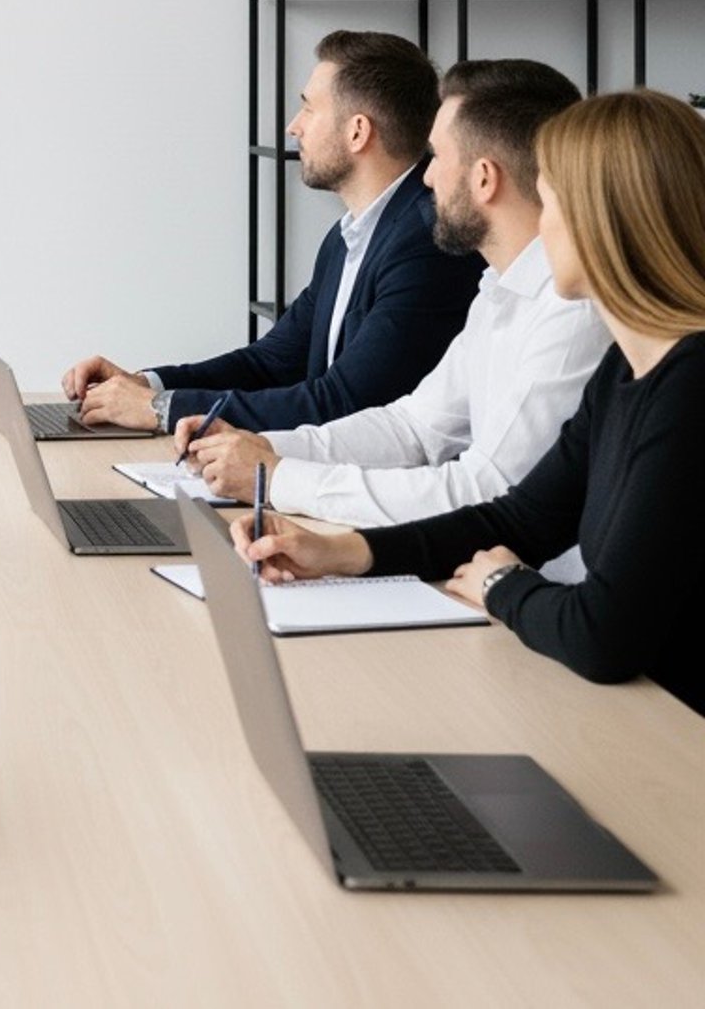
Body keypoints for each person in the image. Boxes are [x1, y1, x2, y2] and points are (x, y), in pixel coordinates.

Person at [239, 88, 705, 717]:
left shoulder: (689, 387)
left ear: (606, 220)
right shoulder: (627, 368)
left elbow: (605, 634)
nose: (540, 223)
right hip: (633, 711)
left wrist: (504, 586)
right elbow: (518, 519)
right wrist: (343, 552)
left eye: (553, 202)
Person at [182, 61, 606, 578]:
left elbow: (486, 491)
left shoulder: (571, 311)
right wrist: (268, 448)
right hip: (491, 588)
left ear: (483, 178)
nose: (425, 176)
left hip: (541, 606)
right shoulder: (498, 289)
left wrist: (281, 477)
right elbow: (415, 428)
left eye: (437, 158)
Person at [65, 29, 480, 433]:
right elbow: (269, 363)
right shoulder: (348, 237)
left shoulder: (426, 244)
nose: (294, 126)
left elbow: (342, 403)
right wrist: (146, 385)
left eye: (309, 108)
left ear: (357, 131)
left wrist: (158, 410)